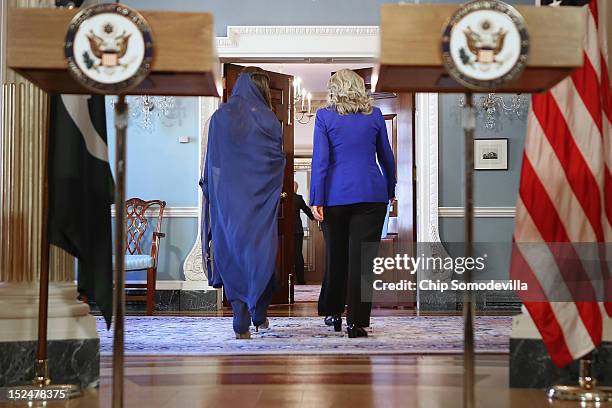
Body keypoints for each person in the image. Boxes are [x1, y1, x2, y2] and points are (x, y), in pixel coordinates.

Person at [310, 69, 396, 339]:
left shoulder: (324, 116)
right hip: (372, 194)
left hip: (334, 197)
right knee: (363, 261)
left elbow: (321, 162)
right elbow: (387, 157)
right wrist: (390, 189)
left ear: (334, 89)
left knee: (336, 256)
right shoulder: (375, 115)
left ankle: (334, 312)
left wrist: (317, 199)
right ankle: (356, 323)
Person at [200, 67, 285, 339]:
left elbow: (214, 163)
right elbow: (276, 163)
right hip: (260, 203)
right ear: (262, 89)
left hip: (229, 205)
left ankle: (241, 319)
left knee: (233, 255)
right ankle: (258, 315)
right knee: (261, 258)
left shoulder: (219, 118)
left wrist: (218, 192)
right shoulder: (270, 120)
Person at [294, 181, 315, 285]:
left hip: (284, 231)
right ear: (296, 188)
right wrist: (315, 217)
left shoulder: (283, 198)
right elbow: (307, 210)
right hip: (297, 230)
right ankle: (300, 280)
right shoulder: (298, 198)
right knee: (298, 254)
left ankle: (287, 279)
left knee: (286, 255)